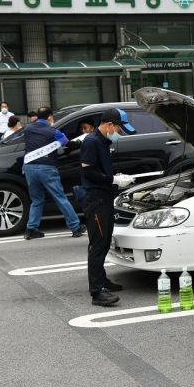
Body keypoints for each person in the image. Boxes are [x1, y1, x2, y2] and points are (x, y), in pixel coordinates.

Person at [80, 109, 137, 307]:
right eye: (118, 127)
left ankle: (102, 280)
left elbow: (100, 170)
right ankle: (97, 292)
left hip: (104, 197)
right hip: (95, 200)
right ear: (109, 124)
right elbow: (88, 172)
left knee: (104, 242)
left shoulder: (103, 142)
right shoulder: (92, 141)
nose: (118, 132)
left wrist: (117, 179)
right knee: (98, 244)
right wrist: (112, 179)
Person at [22, 106, 86, 240]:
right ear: (50, 117)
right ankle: (75, 227)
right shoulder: (54, 132)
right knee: (60, 197)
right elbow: (68, 144)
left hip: (29, 168)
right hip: (47, 168)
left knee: (36, 200)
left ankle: (31, 229)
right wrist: (81, 142)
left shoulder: (27, 129)